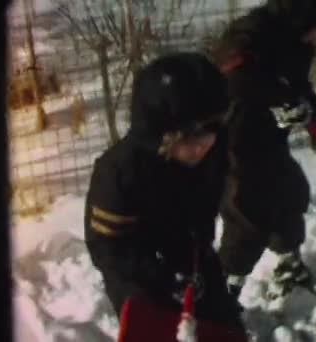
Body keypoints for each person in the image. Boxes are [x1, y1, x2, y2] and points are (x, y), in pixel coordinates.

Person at [83, 52, 245, 335]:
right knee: (156, 327)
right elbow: (108, 248)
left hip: (189, 252)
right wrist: (162, 275)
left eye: (212, 129)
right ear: (162, 136)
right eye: (189, 135)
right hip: (138, 270)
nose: (203, 144)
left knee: (223, 328)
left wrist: (196, 254)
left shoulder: (211, 152)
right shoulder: (120, 172)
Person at [211, 0, 316, 299]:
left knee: (289, 193)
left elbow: (299, 86)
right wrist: (281, 98)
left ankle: (288, 265)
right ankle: (222, 293)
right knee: (247, 214)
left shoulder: (295, 39)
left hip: (267, 137)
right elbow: (235, 76)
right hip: (234, 139)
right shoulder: (252, 32)